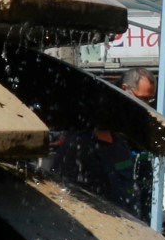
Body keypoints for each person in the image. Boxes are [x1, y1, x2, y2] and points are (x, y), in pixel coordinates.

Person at [49, 70, 155, 214]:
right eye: (143, 99)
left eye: (150, 100)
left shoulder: (121, 143)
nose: (146, 106)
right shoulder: (79, 148)